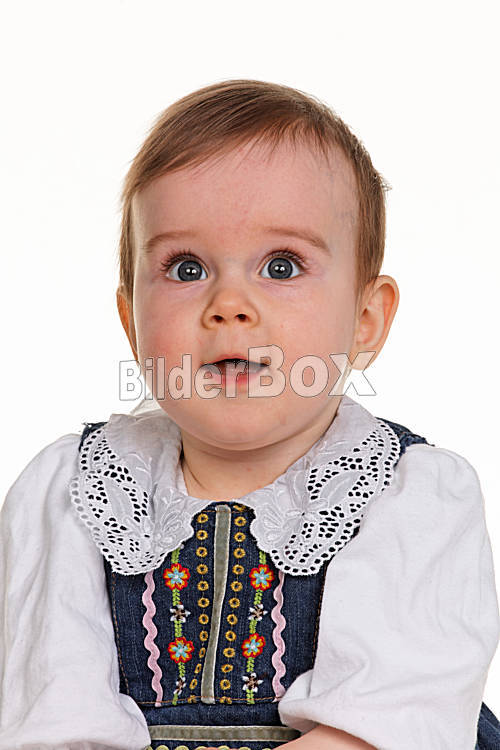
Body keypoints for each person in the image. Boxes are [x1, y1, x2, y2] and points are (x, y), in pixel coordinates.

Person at [1, 79, 499, 750]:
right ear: (131, 322)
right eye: (186, 269)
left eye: (282, 266)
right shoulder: (73, 493)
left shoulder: (411, 496)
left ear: (365, 319)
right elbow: (54, 722)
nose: (229, 305)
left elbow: (386, 726)